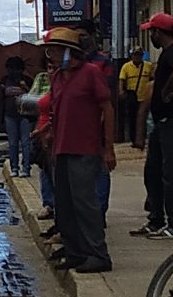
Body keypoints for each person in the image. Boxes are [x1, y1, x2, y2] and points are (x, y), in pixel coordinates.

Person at [38, 26, 116, 274]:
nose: (51, 54)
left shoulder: (90, 73)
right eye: (49, 50)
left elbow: (107, 108)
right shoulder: (59, 77)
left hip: (85, 146)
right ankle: (75, 251)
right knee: (65, 203)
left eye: (55, 49)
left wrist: (108, 147)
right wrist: (49, 130)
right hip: (60, 147)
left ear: (69, 51)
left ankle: (97, 253)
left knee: (85, 202)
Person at [134, 14, 173, 237]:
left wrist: (167, 91)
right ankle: (156, 219)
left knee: (170, 173)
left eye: (152, 32)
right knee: (153, 172)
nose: (151, 36)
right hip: (162, 123)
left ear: (158, 32)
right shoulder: (168, 53)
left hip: (172, 122)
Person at [0, 56, 34, 177]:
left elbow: (34, 97)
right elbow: (0, 97)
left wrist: (25, 88)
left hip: (25, 115)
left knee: (25, 143)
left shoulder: (28, 80)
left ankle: (26, 167)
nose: (13, 72)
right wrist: (2, 90)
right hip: (10, 115)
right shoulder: (4, 80)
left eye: (16, 69)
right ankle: (14, 167)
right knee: (13, 143)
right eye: (10, 69)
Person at [116, 45, 147, 148]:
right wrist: (121, 91)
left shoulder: (148, 66)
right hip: (132, 97)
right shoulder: (126, 67)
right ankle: (134, 140)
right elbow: (122, 80)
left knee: (145, 119)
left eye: (139, 55)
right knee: (132, 118)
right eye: (135, 54)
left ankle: (143, 138)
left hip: (144, 97)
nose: (137, 57)